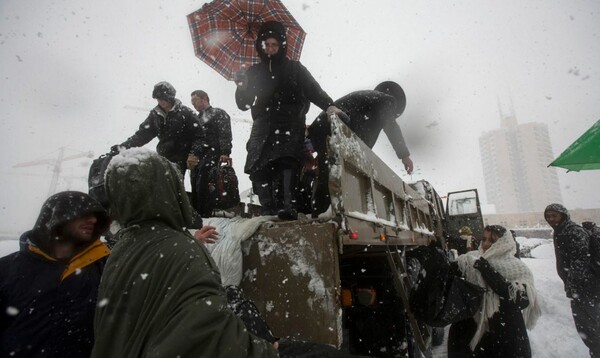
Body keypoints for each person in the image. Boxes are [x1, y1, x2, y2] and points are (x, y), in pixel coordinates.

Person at [91, 148, 277, 357]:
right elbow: (209, 337)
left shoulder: (122, 250)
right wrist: (267, 351)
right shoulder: (181, 251)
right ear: (169, 192)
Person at [235, 20, 342, 221]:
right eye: (266, 45)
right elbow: (244, 104)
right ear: (261, 45)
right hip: (263, 123)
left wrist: (329, 105)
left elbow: (313, 89)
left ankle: (288, 207)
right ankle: (267, 208)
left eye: (274, 45)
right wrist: (242, 87)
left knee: (287, 161)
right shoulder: (254, 72)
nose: (270, 49)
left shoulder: (294, 68)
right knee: (259, 164)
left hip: (289, 120)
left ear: (282, 45)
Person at [0, 191, 110, 357]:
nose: (93, 220)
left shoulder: (105, 267)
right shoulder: (7, 269)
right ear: (59, 216)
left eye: (95, 216)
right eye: (85, 214)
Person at [308, 81, 413, 216]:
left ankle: (319, 211)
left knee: (327, 171)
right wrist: (404, 155)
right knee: (335, 171)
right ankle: (326, 212)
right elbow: (391, 126)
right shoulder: (387, 100)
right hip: (336, 126)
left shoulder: (369, 99)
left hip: (322, 126)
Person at [447, 225, 540, 358]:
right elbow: (447, 274)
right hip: (472, 329)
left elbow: (520, 301)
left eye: (492, 241)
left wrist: (488, 271)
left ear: (504, 243)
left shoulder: (517, 268)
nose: (485, 244)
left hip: (504, 332)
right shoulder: (469, 260)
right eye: (484, 239)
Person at [110, 81, 204, 175]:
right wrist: (123, 147)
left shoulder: (186, 113)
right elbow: (142, 135)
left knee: (172, 184)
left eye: (163, 98)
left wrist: (194, 154)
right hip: (163, 157)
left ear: (170, 97)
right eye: (158, 98)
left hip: (181, 157)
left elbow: (199, 135)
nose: (160, 101)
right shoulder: (155, 115)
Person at [544, 204, 600, 357]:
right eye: (548, 216)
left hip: (586, 287)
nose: (550, 219)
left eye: (554, 215)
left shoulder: (572, 231)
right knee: (587, 326)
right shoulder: (562, 231)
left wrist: (573, 285)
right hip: (583, 287)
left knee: (589, 327)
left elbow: (580, 259)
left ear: (563, 215)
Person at [187, 90, 234, 216]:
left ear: (204, 99)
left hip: (212, 154)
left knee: (206, 184)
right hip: (197, 157)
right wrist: (190, 154)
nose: (193, 104)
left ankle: (206, 213)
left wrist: (225, 152)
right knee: (195, 183)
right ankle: (198, 214)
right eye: (192, 102)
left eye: (195, 101)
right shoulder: (195, 118)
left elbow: (225, 133)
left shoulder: (218, 113)